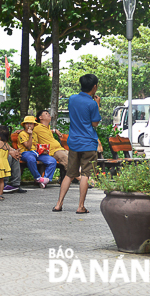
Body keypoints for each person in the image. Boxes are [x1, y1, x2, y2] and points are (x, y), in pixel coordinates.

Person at [53, 74, 102, 214]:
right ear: (94, 87)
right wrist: (97, 105)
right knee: (85, 174)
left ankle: (58, 204)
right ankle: (80, 206)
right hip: (88, 143)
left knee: (69, 174)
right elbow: (95, 123)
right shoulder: (92, 103)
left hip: (74, 142)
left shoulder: (72, 98)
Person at [17, 116, 57, 189]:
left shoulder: (35, 134)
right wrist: (30, 135)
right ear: (24, 125)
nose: (29, 125)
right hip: (25, 153)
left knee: (52, 161)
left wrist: (43, 150)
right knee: (31, 158)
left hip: (36, 153)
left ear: (34, 125)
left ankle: (45, 180)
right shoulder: (22, 134)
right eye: (27, 124)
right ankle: (38, 178)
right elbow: (28, 147)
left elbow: (36, 146)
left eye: (31, 124)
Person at [34, 110, 69, 181]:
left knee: (75, 157)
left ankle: (83, 177)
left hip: (61, 149)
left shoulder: (47, 128)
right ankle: (82, 179)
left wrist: (54, 130)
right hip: (53, 151)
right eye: (46, 113)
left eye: (49, 113)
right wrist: (20, 130)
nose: (49, 115)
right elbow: (28, 127)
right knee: (66, 158)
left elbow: (49, 131)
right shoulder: (36, 127)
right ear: (40, 117)